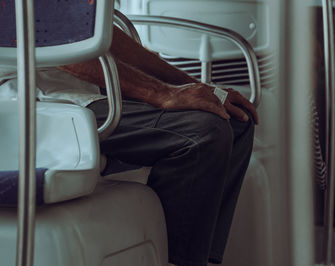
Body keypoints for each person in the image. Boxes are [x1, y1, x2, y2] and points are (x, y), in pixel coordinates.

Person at [0, 26, 257, 266]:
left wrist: (196, 87)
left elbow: (101, 35)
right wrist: (163, 93)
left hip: (79, 95)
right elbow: (54, 40)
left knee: (237, 124)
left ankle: (195, 257)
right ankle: (174, 259)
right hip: (27, 102)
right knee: (202, 133)